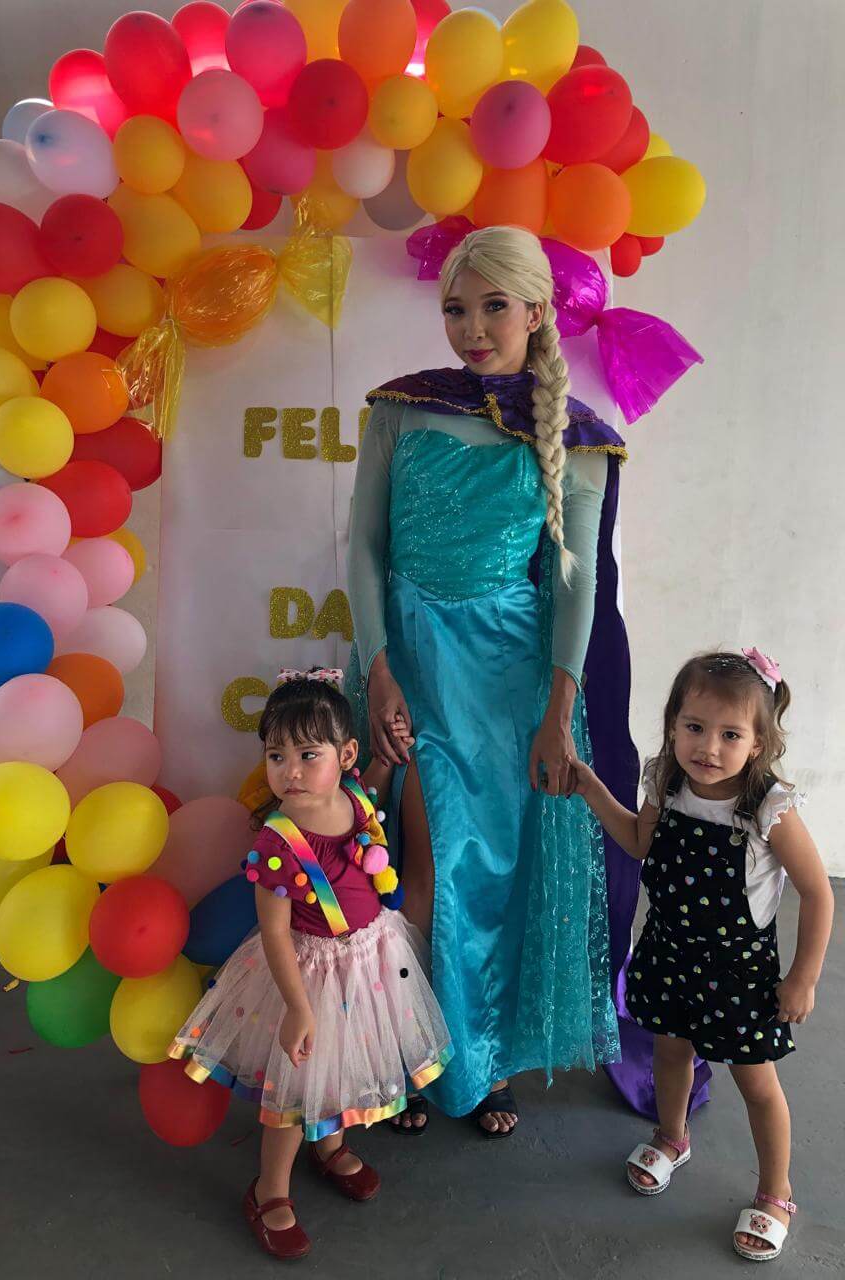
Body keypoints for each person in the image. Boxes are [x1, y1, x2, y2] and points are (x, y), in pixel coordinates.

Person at [346, 225, 638, 1137]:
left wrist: (559, 712)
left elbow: (575, 583)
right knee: (427, 868)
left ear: (539, 312)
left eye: (494, 307)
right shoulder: (400, 406)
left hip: (515, 679)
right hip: (415, 662)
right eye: (455, 309)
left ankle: (491, 1059)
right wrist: (382, 670)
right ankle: (427, 1056)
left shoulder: (581, 437)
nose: (471, 329)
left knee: (503, 872)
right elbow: (361, 546)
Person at [170, 671, 451, 1261]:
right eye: (276, 755)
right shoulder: (276, 842)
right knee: (297, 1088)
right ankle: (269, 1188)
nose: (289, 771)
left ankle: (329, 1146)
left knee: (344, 1066)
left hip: (372, 959)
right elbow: (272, 933)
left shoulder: (352, 798)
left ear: (344, 757)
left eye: (307, 754)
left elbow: (370, 795)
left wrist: (384, 756)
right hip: (307, 975)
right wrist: (297, 1006)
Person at [569, 649, 834, 1263]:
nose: (707, 747)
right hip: (668, 952)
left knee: (756, 1083)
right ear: (672, 724)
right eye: (694, 727)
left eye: (730, 734)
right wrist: (589, 786)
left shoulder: (769, 807)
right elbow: (637, 839)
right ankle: (671, 1135)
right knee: (670, 1050)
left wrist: (803, 976)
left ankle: (775, 1193)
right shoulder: (666, 782)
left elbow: (819, 895)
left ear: (759, 742)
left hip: (739, 973)